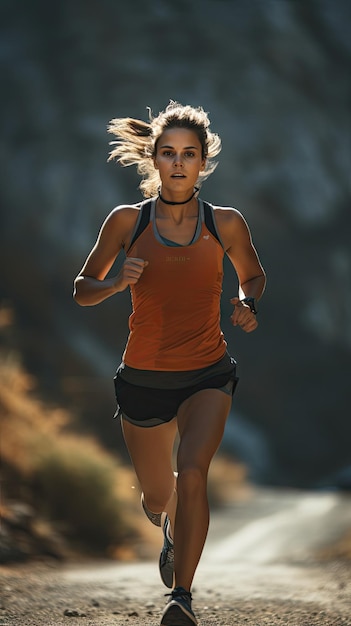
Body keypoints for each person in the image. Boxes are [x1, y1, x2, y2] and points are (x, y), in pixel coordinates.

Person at [73, 100, 266, 626]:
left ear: (204, 162)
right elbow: (82, 289)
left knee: (194, 473)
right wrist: (114, 284)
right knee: (160, 495)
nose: (178, 163)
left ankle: (181, 595)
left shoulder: (224, 223)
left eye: (189, 154)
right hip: (143, 380)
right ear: (153, 161)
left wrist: (247, 303)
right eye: (168, 153)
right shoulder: (126, 222)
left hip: (209, 372)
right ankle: (166, 526)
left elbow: (252, 274)